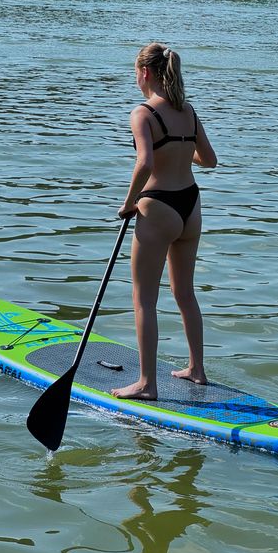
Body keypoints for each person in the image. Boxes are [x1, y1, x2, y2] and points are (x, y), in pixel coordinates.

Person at [112, 43, 217, 400]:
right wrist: (179, 151)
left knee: (144, 300)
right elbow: (210, 159)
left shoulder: (142, 114)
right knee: (185, 293)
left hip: (157, 206)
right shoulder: (187, 111)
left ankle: (146, 384)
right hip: (191, 205)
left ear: (145, 73)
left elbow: (144, 164)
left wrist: (128, 204)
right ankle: (197, 369)